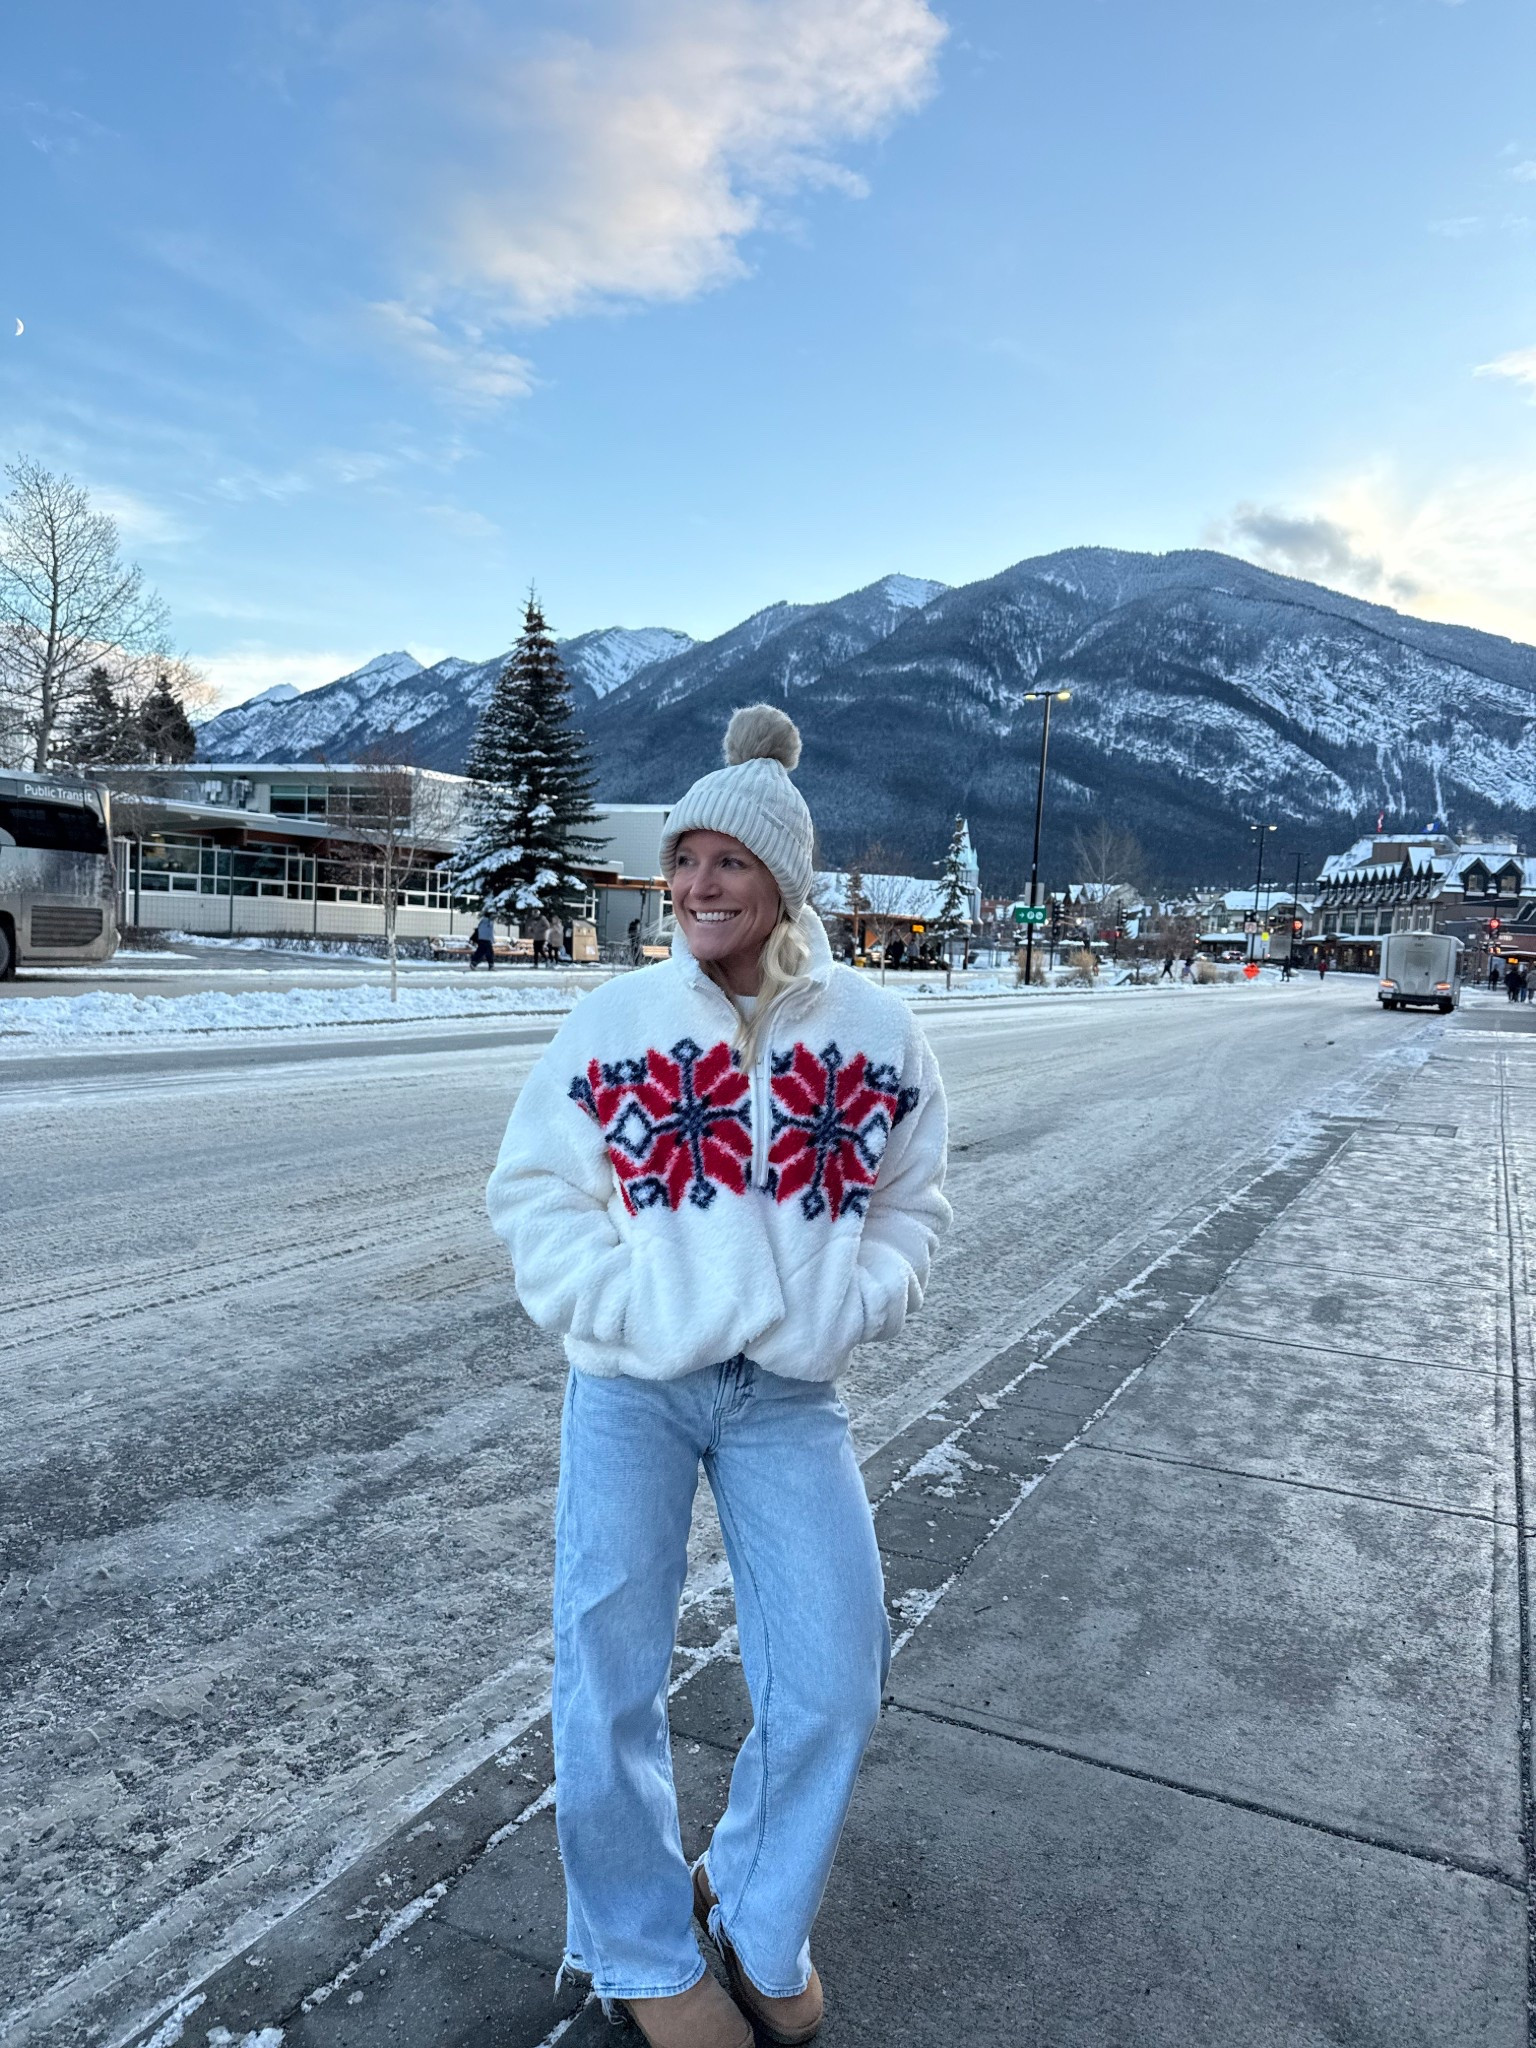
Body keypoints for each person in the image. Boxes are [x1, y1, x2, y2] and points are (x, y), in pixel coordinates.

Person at [487, 705, 950, 2048]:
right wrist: (624, 1303)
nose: (694, 885)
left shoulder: (874, 1032)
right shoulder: (616, 1019)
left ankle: (753, 1909)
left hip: (786, 1397)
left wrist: (858, 1299)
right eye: (683, 859)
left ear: (782, 881)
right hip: (633, 1388)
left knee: (832, 1674)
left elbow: (916, 1202)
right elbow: (534, 1193)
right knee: (609, 1673)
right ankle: (639, 1951)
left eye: (725, 863)